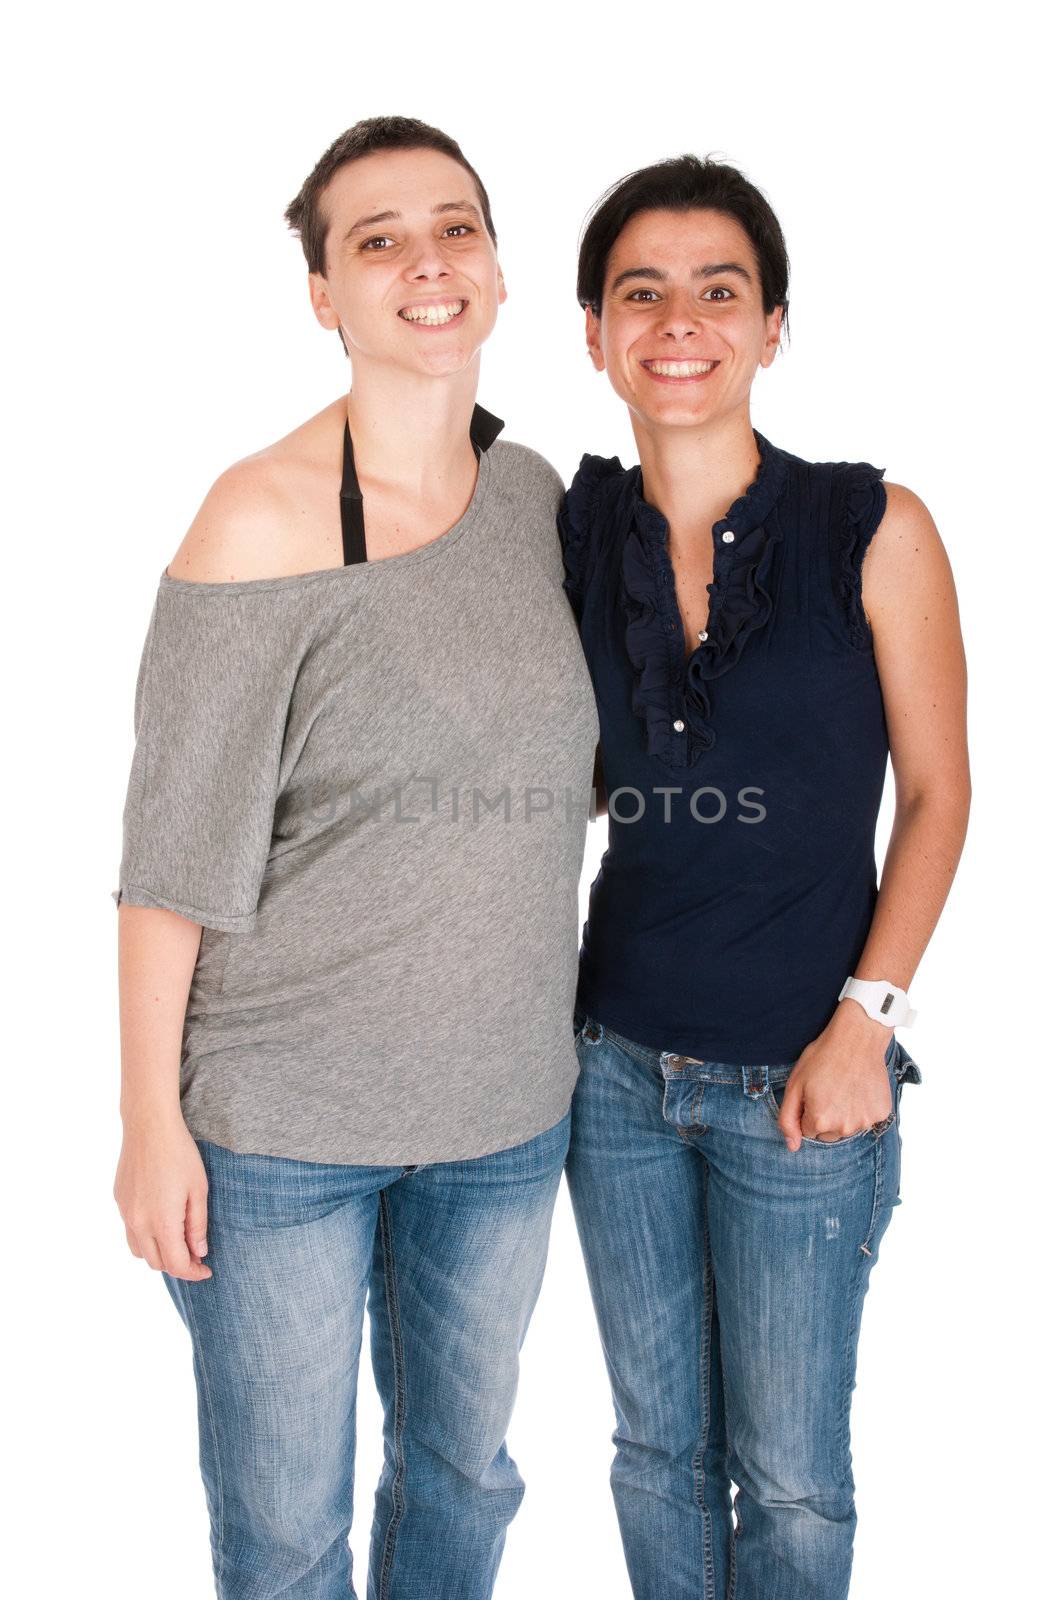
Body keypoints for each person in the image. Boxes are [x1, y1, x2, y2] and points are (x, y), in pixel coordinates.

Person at [111, 115, 598, 1600]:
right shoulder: (257, 519)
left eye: (455, 226)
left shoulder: (541, 502)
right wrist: (149, 1122)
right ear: (324, 294)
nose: (425, 263)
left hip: (506, 1117)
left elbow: (557, 780)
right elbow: (166, 861)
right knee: (283, 1533)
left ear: (502, 271)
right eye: (376, 241)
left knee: (466, 1481)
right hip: (279, 1140)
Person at [558, 155, 970, 1600]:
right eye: (642, 292)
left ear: (774, 328)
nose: (682, 321)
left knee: (790, 1478)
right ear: (596, 332)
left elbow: (937, 794)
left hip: (807, 1079)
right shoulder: (572, 529)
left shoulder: (874, 525)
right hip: (610, 1071)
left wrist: (869, 1020)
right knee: (655, 1453)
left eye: (719, 291)